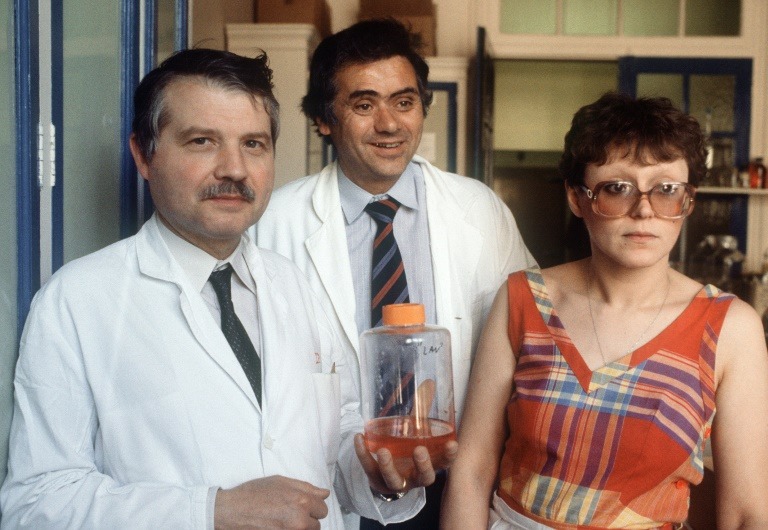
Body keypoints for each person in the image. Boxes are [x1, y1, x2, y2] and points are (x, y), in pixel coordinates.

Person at [0, 48, 449, 529]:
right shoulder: (78, 302)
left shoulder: (295, 285)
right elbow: (36, 504)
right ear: (143, 155)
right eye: (202, 141)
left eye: (254, 144)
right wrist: (210, 511)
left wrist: (377, 473)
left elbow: (333, 441)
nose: (234, 169)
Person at [255, 18, 536, 530]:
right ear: (324, 118)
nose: (389, 124)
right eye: (364, 105)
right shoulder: (272, 223)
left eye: (404, 102)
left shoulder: (478, 210)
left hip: (459, 483)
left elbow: (532, 334)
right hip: (329, 487)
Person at [441, 92, 768, 529]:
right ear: (578, 199)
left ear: (687, 201)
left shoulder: (731, 327)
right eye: (617, 188)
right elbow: (473, 469)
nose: (644, 210)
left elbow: (747, 512)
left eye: (666, 189)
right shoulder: (523, 299)